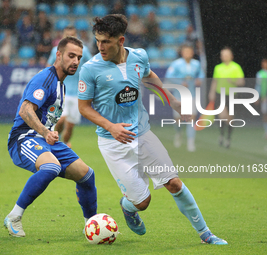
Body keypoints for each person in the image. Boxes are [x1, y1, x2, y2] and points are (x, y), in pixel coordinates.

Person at [78, 14, 227, 245]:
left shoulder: (139, 56)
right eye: (97, 41)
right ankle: (128, 207)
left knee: (174, 183)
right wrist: (110, 126)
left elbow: (150, 78)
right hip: (112, 143)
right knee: (142, 202)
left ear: (120, 40)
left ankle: (206, 234)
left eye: (105, 41)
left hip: (143, 133)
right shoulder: (90, 68)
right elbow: (84, 108)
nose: (100, 46)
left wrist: (174, 102)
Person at [4, 37, 97, 237]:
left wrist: (49, 132)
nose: (75, 61)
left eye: (79, 58)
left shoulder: (61, 84)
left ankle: (92, 227)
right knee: (51, 167)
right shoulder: (45, 78)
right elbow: (25, 110)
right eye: (71, 56)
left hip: (45, 139)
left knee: (87, 175)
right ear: (59, 55)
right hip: (23, 138)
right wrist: (45, 132)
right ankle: (14, 216)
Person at [47, 26, 92, 147]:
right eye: (67, 36)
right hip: (61, 91)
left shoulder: (84, 51)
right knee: (61, 119)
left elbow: (92, 66)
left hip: (77, 93)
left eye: (72, 36)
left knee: (70, 126)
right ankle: (52, 140)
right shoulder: (56, 51)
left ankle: (63, 144)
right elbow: (49, 67)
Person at [165, 45, 205, 151]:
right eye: (185, 52)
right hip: (179, 95)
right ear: (182, 53)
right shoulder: (176, 64)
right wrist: (180, 82)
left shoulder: (196, 64)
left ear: (192, 53)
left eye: (189, 51)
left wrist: (199, 79)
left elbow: (201, 74)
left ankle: (190, 142)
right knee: (178, 119)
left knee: (191, 118)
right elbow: (169, 76)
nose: (187, 53)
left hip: (191, 95)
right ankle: (178, 133)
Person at [209, 47, 245, 148]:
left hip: (232, 95)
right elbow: (215, 81)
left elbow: (241, 81)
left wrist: (233, 81)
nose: (224, 57)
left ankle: (228, 138)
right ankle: (221, 135)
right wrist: (212, 92)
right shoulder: (218, 68)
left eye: (226, 55)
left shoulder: (236, 67)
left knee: (229, 119)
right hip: (221, 94)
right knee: (221, 116)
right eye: (223, 55)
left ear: (231, 56)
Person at [255, 58, 267, 137]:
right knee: (265, 114)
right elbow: (258, 86)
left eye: (266, 63)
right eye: (263, 63)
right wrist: (257, 96)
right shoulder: (260, 74)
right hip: (264, 97)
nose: (265, 65)